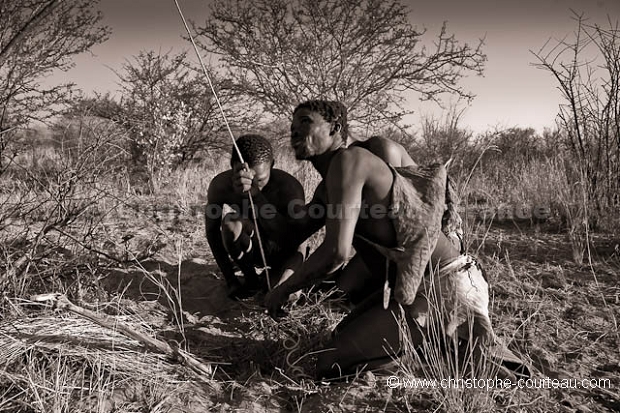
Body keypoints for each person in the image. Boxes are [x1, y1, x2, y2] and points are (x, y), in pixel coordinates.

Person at [265, 100, 528, 380]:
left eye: (305, 122)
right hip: (416, 287)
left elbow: (336, 253)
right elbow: (291, 234)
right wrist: (256, 193)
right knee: (337, 344)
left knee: (329, 363)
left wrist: (283, 290)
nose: (295, 130)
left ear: (335, 129)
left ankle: (454, 352)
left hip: (443, 284)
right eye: (292, 126)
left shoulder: (350, 160)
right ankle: (437, 344)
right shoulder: (328, 187)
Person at [205, 134, 306, 299]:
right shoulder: (220, 186)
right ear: (232, 166)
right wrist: (231, 281)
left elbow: (299, 243)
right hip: (252, 251)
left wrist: (288, 280)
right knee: (230, 223)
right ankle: (250, 279)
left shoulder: (289, 188)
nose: (251, 183)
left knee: (282, 293)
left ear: (272, 165)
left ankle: (273, 281)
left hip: (283, 252)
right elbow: (212, 232)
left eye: (260, 179)